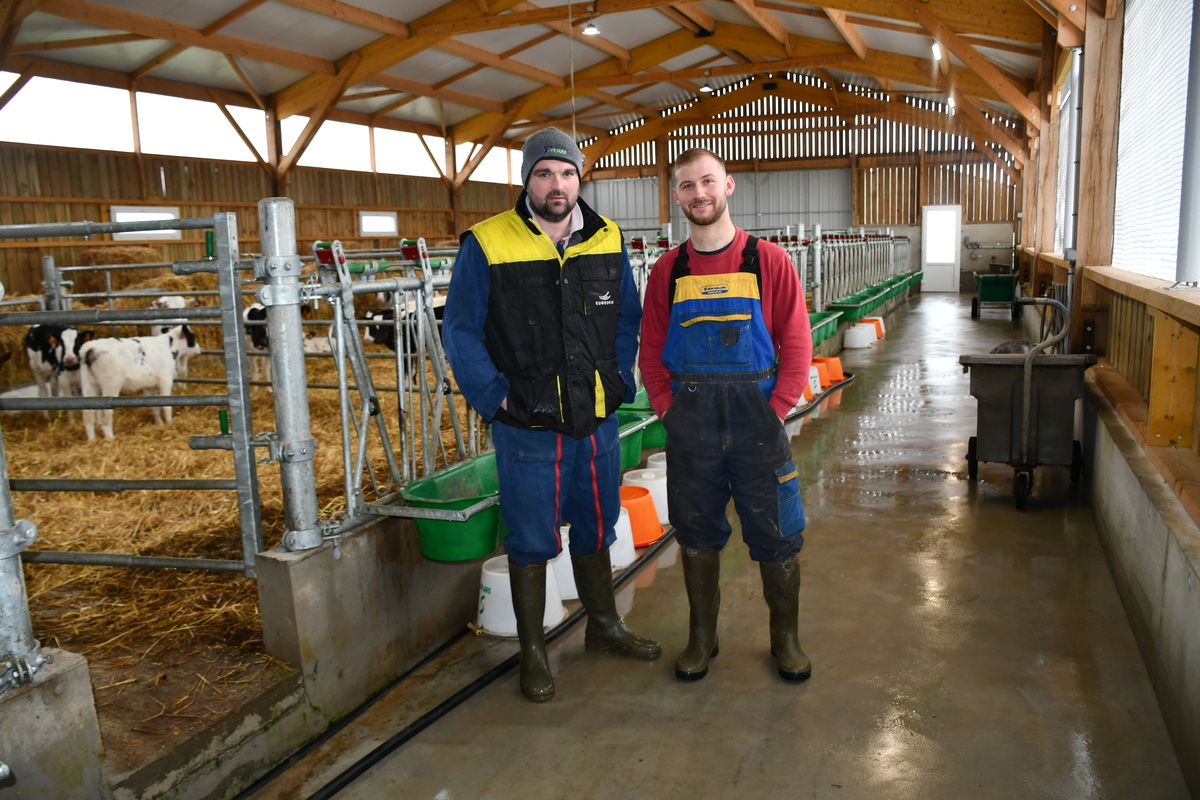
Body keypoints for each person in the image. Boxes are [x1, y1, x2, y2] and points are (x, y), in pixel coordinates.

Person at [443, 127, 662, 702]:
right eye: (544, 173)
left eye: (567, 173)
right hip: (527, 424)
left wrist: (617, 379)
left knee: (597, 523)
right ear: (527, 180)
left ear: (579, 179)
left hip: (596, 417)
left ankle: (604, 625)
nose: (556, 185)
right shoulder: (487, 243)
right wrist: (496, 397)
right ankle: (534, 650)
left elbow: (627, 318)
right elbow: (460, 331)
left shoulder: (607, 236)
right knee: (531, 536)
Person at [638, 147, 813, 683]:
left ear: (728, 185)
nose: (700, 194)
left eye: (708, 181)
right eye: (688, 186)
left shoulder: (767, 260)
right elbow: (651, 352)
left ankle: (786, 639)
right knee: (695, 532)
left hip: (757, 421)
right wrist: (668, 411)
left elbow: (797, 343)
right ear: (676, 196)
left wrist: (776, 410)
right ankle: (701, 637)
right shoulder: (668, 270)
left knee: (777, 532)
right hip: (692, 425)